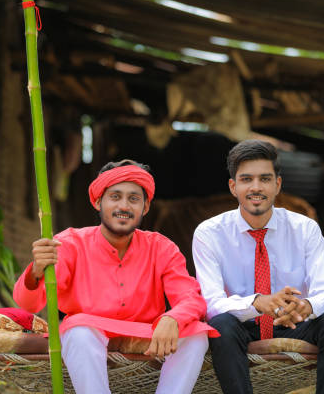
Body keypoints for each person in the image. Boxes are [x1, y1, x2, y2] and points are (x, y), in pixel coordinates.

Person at [14, 159, 217, 394]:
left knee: (196, 336)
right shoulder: (70, 244)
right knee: (79, 332)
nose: (124, 206)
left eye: (133, 199)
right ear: (98, 202)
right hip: (88, 333)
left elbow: (191, 298)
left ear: (146, 207)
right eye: (115, 197)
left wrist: (173, 318)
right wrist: (37, 270)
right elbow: (28, 303)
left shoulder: (161, 247)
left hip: (146, 334)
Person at [192, 140, 324, 394]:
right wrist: (258, 303)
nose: (256, 188)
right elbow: (211, 304)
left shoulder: (305, 228)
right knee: (221, 325)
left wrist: (305, 306)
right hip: (242, 326)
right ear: (233, 187)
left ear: (277, 185)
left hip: (294, 324)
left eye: (265, 179)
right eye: (246, 179)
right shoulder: (209, 233)